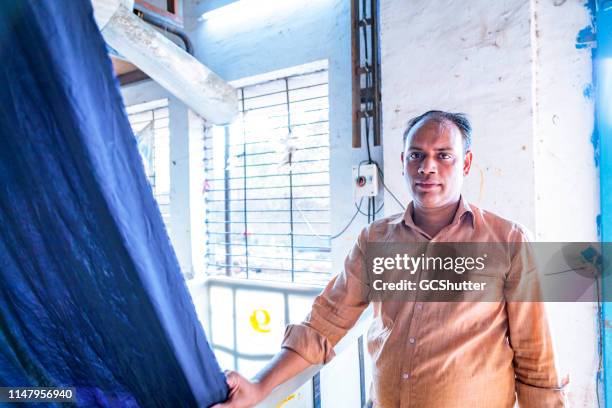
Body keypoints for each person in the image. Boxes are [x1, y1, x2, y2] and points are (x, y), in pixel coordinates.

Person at [213, 111, 567, 408]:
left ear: (466, 163)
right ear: (403, 162)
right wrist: (259, 385)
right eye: (417, 155)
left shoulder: (509, 241)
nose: (428, 167)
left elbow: (536, 358)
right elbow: (324, 324)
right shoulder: (375, 240)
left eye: (444, 155)